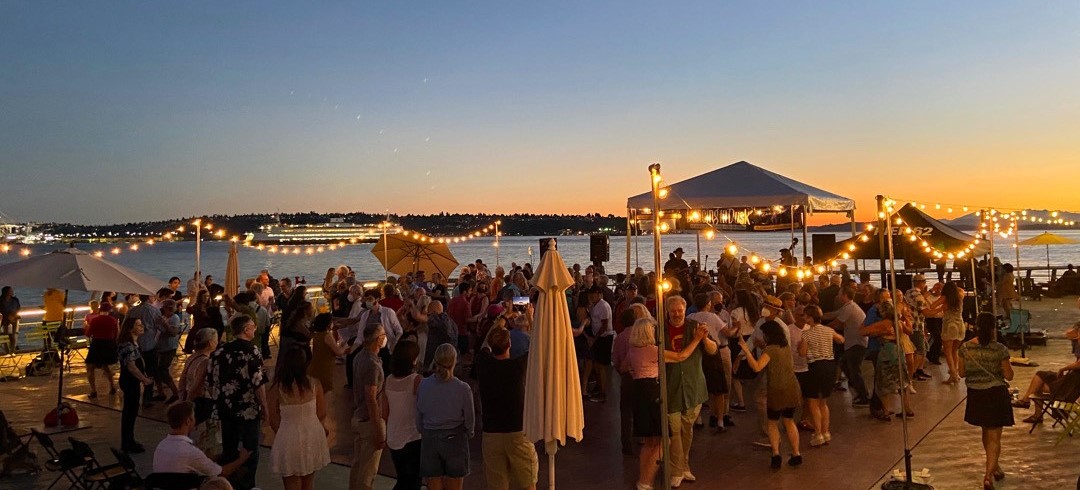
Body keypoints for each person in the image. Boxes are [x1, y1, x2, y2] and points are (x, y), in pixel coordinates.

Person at [627, 316, 706, 490]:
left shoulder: (632, 350)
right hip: (652, 391)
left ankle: (643, 479)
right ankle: (647, 480)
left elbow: (627, 367)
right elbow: (680, 356)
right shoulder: (653, 350)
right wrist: (697, 339)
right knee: (664, 440)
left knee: (649, 441)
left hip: (638, 391)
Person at [663, 296, 718, 488]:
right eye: (673, 311)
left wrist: (704, 339)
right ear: (667, 311)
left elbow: (712, 350)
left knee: (688, 429)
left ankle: (683, 464)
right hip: (671, 386)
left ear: (685, 310)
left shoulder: (695, 327)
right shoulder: (660, 330)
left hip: (693, 386)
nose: (677, 314)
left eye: (680, 310)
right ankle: (677, 470)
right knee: (674, 430)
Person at [208, 316, 268, 490]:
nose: (255, 330)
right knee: (250, 449)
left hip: (225, 407)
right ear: (246, 329)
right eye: (253, 327)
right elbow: (258, 382)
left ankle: (229, 483)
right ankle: (247, 483)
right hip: (247, 409)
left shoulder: (219, 352)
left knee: (229, 447)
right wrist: (265, 407)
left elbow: (212, 380)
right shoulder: (251, 351)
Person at [475, 326, 537, 490]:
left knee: (497, 485)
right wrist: (531, 318)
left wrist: (498, 321)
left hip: (491, 434)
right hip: (517, 432)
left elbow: (484, 346)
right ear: (509, 344)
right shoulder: (518, 367)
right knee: (527, 482)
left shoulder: (483, 363)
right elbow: (536, 347)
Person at [959, 313, 1014, 490]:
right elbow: (1008, 375)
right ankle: (988, 475)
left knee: (985, 431)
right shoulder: (999, 349)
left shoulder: (965, 348)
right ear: (993, 329)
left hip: (976, 395)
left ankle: (994, 466)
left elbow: (961, 373)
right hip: (996, 394)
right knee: (994, 436)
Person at [738, 321, 802, 468]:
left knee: (772, 423)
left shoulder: (770, 350)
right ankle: (796, 453)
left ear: (768, 335)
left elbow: (756, 367)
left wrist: (746, 350)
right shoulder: (784, 346)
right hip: (792, 388)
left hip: (776, 390)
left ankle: (776, 455)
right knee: (789, 421)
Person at [267, 346, 331, 490]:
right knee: (308, 483)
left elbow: (272, 419)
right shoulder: (314, 384)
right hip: (311, 434)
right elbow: (321, 413)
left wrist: (283, 432)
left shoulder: (277, 388)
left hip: (288, 436)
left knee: (291, 483)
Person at [416, 343, 474, 490]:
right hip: (455, 439)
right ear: (454, 362)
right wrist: (468, 432)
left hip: (430, 438)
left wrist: (424, 431)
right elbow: (469, 419)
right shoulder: (463, 389)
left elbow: (419, 415)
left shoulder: (423, 384)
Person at [154, 401, 250, 479]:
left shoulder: (161, 446)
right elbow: (222, 472)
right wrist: (242, 459)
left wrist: (217, 457)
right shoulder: (190, 452)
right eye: (194, 417)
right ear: (188, 421)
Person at [799, 305, 844, 446]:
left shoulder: (806, 334)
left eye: (805, 316)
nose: (804, 318)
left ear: (810, 318)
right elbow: (841, 339)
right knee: (824, 402)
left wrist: (799, 346)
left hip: (815, 367)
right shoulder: (828, 330)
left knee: (813, 402)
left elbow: (802, 353)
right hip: (829, 366)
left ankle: (818, 434)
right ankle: (826, 432)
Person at [382, 341, 424, 490]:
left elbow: (384, 413)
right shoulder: (416, 380)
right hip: (413, 436)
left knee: (403, 478)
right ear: (413, 360)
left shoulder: (388, 380)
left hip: (394, 436)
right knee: (413, 480)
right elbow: (423, 408)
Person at [350, 322, 387, 490]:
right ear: (378, 340)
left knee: (358, 467)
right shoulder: (372, 364)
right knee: (367, 473)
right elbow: (371, 398)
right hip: (369, 420)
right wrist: (378, 428)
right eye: (383, 335)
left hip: (358, 416)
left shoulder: (359, 357)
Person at [826, 285, 869, 406]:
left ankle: (864, 397)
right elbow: (834, 314)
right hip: (854, 342)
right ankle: (861, 394)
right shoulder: (848, 306)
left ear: (844, 295)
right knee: (845, 365)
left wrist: (819, 328)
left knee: (854, 370)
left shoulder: (849, 308)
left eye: (840, 293)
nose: (838, 295)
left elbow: (837, 322)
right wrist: (819, 314)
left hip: (856, 343)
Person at [117, 318, 154, 453]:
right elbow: (131, 367)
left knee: (131, 411)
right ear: (130, 328)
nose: (142, 327)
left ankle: (129, 439)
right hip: (130, 381)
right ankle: (127, 442)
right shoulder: (128, 345)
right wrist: (144, 379)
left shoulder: (133, 343)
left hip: (132, 381)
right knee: (130, 412)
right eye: (138, 325)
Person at [127, 294, 164, 406]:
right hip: (149, 344)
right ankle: (147, 398)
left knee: (135, 370)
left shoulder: (132, 310)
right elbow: (160, 327)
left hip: (134, 343)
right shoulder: (154, 310)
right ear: (150, 298)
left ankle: (133, 396)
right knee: (150, 371)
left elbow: (125, 324)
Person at [84, 301, 119, 398]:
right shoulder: (113, 320)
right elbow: (116, 334)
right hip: (109, 344)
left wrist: (87, 327)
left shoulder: (95, 320)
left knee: (90, 367)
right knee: (106, 367)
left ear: (100, 310)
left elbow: (88, 334)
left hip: (97, 344)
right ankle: (112, 387)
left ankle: (93, 390)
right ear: (109, 310)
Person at [155, 299, 185, 404]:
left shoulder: (174, 318)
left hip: (169, 348)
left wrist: (164, 324)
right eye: (168, 306)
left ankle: (175, 393)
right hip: (161, 347)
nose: (169, 308)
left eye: (171, 306)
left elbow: (173, 332)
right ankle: (161, 393)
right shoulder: (165, 317)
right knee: (159, 371)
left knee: (163, 370)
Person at [308, 313, 347, 393]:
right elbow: (338, 352)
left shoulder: (317, 335)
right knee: (324, 394)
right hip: (324, 368)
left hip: (315, 366)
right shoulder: (327, 335)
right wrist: (345, 346)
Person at [941, 282, 965, 384]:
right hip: (960, 324)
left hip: (950, 325)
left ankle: (953, 374)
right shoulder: (960, 296)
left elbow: (932, 305)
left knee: (948, 352)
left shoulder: (945, 298)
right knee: (955, 351)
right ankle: (955, 373)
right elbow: (960, 289)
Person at [0, 286, 20, 354]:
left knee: (13, 334)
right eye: (10, 290)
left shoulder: (15, 299)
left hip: (14, 318)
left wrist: (13, 315)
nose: (12, 291)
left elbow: (18, 307)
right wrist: (7, 315)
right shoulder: (1, 300)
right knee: (6, 335)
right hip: (5, 319)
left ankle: (12, 351)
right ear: (6, 292)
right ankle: (7, 351)